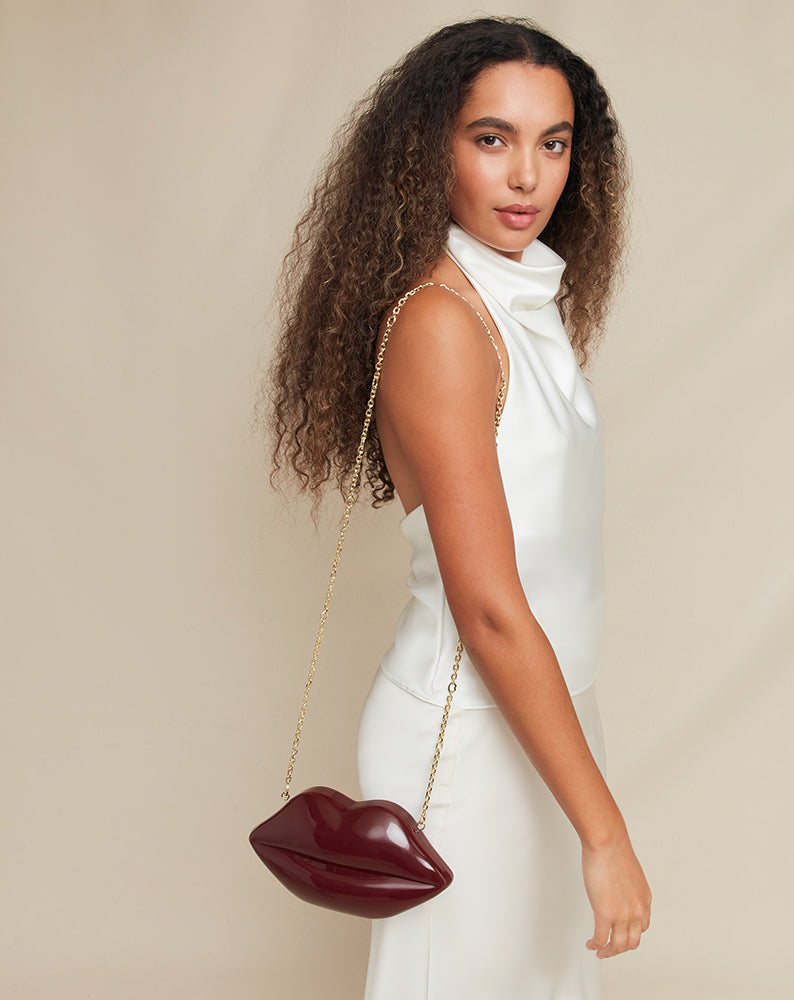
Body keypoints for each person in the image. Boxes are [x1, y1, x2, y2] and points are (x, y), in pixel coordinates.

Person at [267, 16, 651, 999]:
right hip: (468, 735)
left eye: (552, 142)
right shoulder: (441, 322)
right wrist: (603, 831)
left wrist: (587, 795)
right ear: (430, 145)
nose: (527, 174)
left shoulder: (520, 298)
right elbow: (484, 603)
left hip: (548, 719)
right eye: (492, 138)